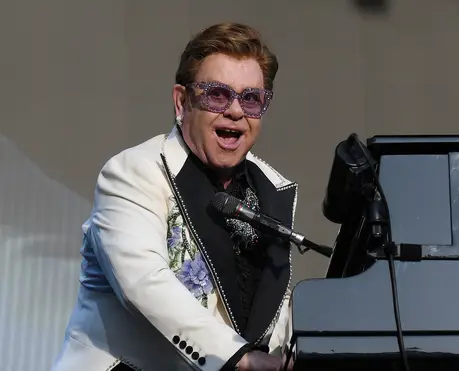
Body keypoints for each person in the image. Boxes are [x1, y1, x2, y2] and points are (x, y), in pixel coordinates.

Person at [51, 22, 296, 371]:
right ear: (182, 102)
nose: (236, 111)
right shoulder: (133, 172)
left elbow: (273, 317)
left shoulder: (272, 190)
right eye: (218, 94)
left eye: (251, 98)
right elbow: (144, 282)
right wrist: (241, 359)